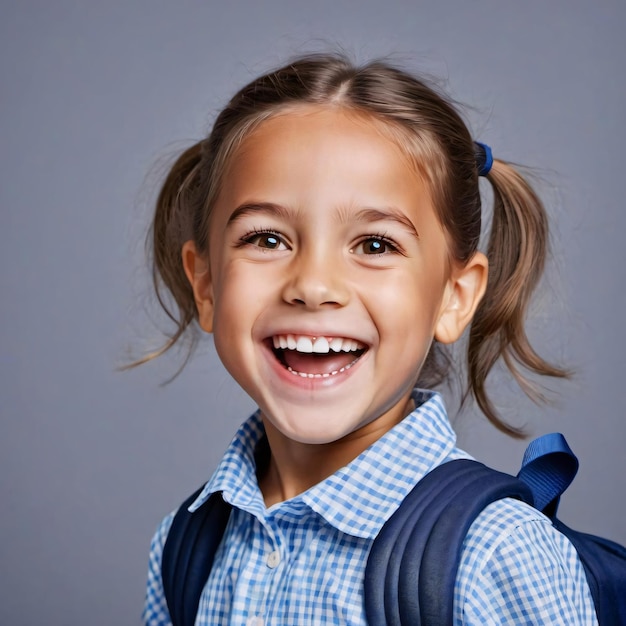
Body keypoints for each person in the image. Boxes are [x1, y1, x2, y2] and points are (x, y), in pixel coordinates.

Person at [140, 53, 597, 624]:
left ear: (454, 296)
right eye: (266, 238)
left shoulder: (495, 555)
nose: (313, 285)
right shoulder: (186, 544)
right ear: (206, 284)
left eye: (375, 246)